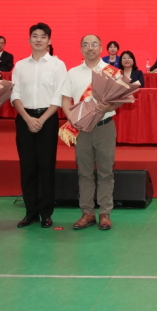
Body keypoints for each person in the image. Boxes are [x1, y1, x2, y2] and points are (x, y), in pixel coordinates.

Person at [61, 35, 127, 232]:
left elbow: (121, 99)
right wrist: (73, 119)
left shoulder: (112, 72)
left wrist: (109, 107)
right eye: (85, 45)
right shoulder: (72, 72)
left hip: (105, 126)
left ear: (100, 48)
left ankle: (105, 213)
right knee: (84, 172)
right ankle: (87, 212)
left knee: (106, 171)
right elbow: (65, 100)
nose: (90, 48)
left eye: (94, 44)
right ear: (81, 48)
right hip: (81, 129)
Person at [11, 23, 67, 229]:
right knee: (27, 167)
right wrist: (27, 118)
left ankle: (46, 213)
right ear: (29, 40)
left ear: (49, 41)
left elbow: (58, 96)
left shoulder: (57, 65)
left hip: (48, 119)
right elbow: (15, 95)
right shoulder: (20, 66)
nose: (38, 40)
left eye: (43, 37)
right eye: (35, 36)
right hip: (24, 118)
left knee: (46, 166)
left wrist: (41, 120)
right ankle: (31, 212)